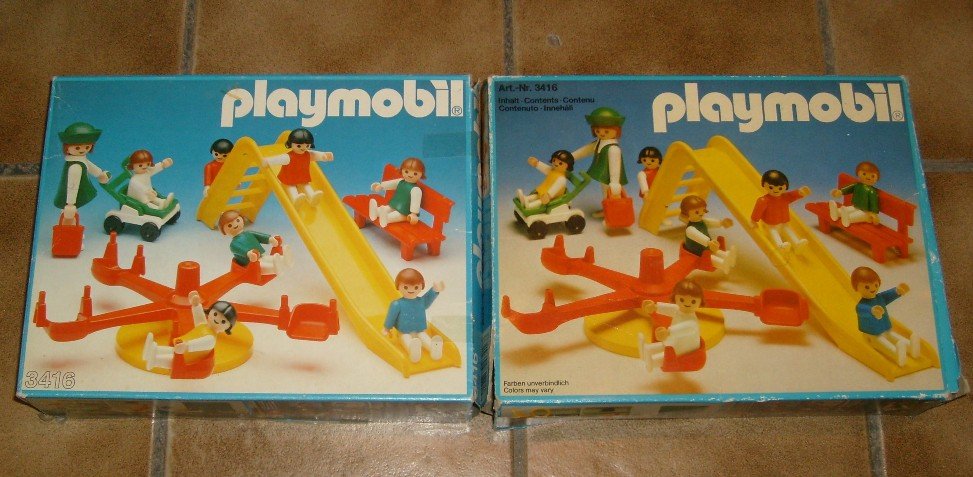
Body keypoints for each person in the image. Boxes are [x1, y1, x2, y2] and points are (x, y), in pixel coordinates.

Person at [143, 290, 237, 371]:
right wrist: (196, 305)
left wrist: (187, 346)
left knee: (174, 359)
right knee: (172, 351)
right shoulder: (204, 326)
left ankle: (154, 360)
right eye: (215, 314)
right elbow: (199, 319)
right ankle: (153, 349)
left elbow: (199, 344)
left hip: (190, 357)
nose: (217, 319)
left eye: (223, 321)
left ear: (227, 328)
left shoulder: (211, 339)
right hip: (184, 349)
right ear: (210, 311)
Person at [851, 266, 920, 367]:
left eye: (875, 284)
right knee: (884, 343)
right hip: (871, 334)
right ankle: (897, 354)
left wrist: (897, 291)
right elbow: (863, 310)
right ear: (856, 288)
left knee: (893, 336)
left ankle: (910, 346)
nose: (873, 288)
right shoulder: (861, 305)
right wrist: (872, 311)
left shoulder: (879, 297)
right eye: (867, 287)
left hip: (885, 329)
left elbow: (888, 295)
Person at [638, 279, 705, 373]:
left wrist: (668, 332)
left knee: (667, 353)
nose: (687, 304)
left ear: (700, 302)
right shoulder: (678, 310)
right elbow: (668, 308)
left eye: (693, 301)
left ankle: (652, 362)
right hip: (674, 341)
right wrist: (655, 307)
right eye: (682, 300)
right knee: (665, 345)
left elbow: (684, 328)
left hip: (686, 348)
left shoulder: (692, 323)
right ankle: (646, 350)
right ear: (675, 299)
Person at [383, 268, 445, 363]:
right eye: (406, 287)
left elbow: (428, 299)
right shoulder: (397, 304)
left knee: (423, 336)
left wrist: (434, 290)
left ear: (421, 286)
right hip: (404, 332)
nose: (411, 290)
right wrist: (387, 328)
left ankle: (433, 348)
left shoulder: (421, 301)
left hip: (419, 330)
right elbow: (391, 317)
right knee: (406, 338)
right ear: (398, 286)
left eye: (416, 287)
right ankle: (413, 350)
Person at [54, 122, 109, 226]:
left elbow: (89, 165)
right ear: (67, 147)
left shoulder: (80, 160)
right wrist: (70, 204)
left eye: (87, 147)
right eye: (77, 148)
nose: (83, 150)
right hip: (71, 195)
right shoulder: (75, 166)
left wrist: (100, 174)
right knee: (68, 215)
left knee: (71, 215)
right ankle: (69, 232)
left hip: (75, 194)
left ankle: (70, 229)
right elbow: (72, 185)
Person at [262, 128, 334, 206]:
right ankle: (295, 198)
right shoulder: (289, 157)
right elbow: (278, 159)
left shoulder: (307, 154)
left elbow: (315, 155)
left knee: (306, 185)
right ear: (291, 144)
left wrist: (323, 156)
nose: (303, 148)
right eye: (299, 146)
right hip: (289, 177)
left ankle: (312, 196)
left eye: (307, 145)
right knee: (291, 187)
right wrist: (268, 161)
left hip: (302, 176)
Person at [571, 107, 628, 200]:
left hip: (611, 178)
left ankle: (614, 206)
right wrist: (571, 157)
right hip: (603, 175)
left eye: (606, 131)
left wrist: (615, 183)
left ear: (617, 130)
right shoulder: (599, 142)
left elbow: (615, 167)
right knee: (605, 191)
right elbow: (586, 150)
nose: (601, 134)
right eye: (597, 131)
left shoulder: (614, 149)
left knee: (614, 194)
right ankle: (608, 204)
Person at [750, 169, 811, 252]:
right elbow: (758, 211)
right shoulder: (764, 200)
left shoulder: (785, 197)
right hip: (770, 224)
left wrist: (800, 192)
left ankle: (797, 244)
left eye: (780, 188)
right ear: (764, 185)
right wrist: (754, 221)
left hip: (783, 222)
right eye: (771, 187)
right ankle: (780, 246)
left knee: (788, 230)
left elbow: (792, 195)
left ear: (785, 187)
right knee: (774, 232)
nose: (776, 190)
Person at [218, 210, 290, 275]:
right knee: (261, 266)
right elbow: (241, 250)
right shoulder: (233, 244)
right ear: (224, 231)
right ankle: (275, 268)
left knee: (268, 258)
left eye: (237, 220)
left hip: (260, 255)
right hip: (249, 263)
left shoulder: (249, 233)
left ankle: (284, 259)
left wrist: (270, 239)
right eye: (229, 225)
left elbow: (261, 237)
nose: (235, 225)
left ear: (242, 219)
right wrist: (249, 253)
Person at [679, 195, 736, 274]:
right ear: (686, 214)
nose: (701, 213)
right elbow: (698, 236)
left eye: (703, 210)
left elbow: (711, 222)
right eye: (697, 212)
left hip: (706, 247)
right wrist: (708, 242)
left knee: (714, 252)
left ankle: (727, 256)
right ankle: (722, 264)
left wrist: (721, 223)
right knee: (709, 257)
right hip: (696, 251)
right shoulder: (690, 229)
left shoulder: (702, 221)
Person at [369, 157, 427, 228]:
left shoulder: (416, 190)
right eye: (406, 172)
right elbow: (391, 184)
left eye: (415, 173)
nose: (410, 175)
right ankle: (376, 212)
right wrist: (381, 186)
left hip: (405, 213)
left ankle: (386, 218)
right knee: (387, 208)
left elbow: (416, 202)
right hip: (395, 205)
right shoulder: (400, 182)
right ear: (402, 170)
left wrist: (414, 214)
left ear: (421, 174)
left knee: (396, 215)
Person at [830, 161, 882, 227]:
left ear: (877, 178)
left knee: (857, 215)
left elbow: (873, 203)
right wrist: (840, 192)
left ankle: (848, 219)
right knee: (848, 209)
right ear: (858, 173)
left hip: (866, 212)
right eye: (864, 174)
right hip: (856, 206)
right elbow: (848, 189)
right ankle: (837, 213)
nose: (868, 177)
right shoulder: (857, 185)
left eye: (872, 176)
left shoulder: (872, 191)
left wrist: (873, 213)